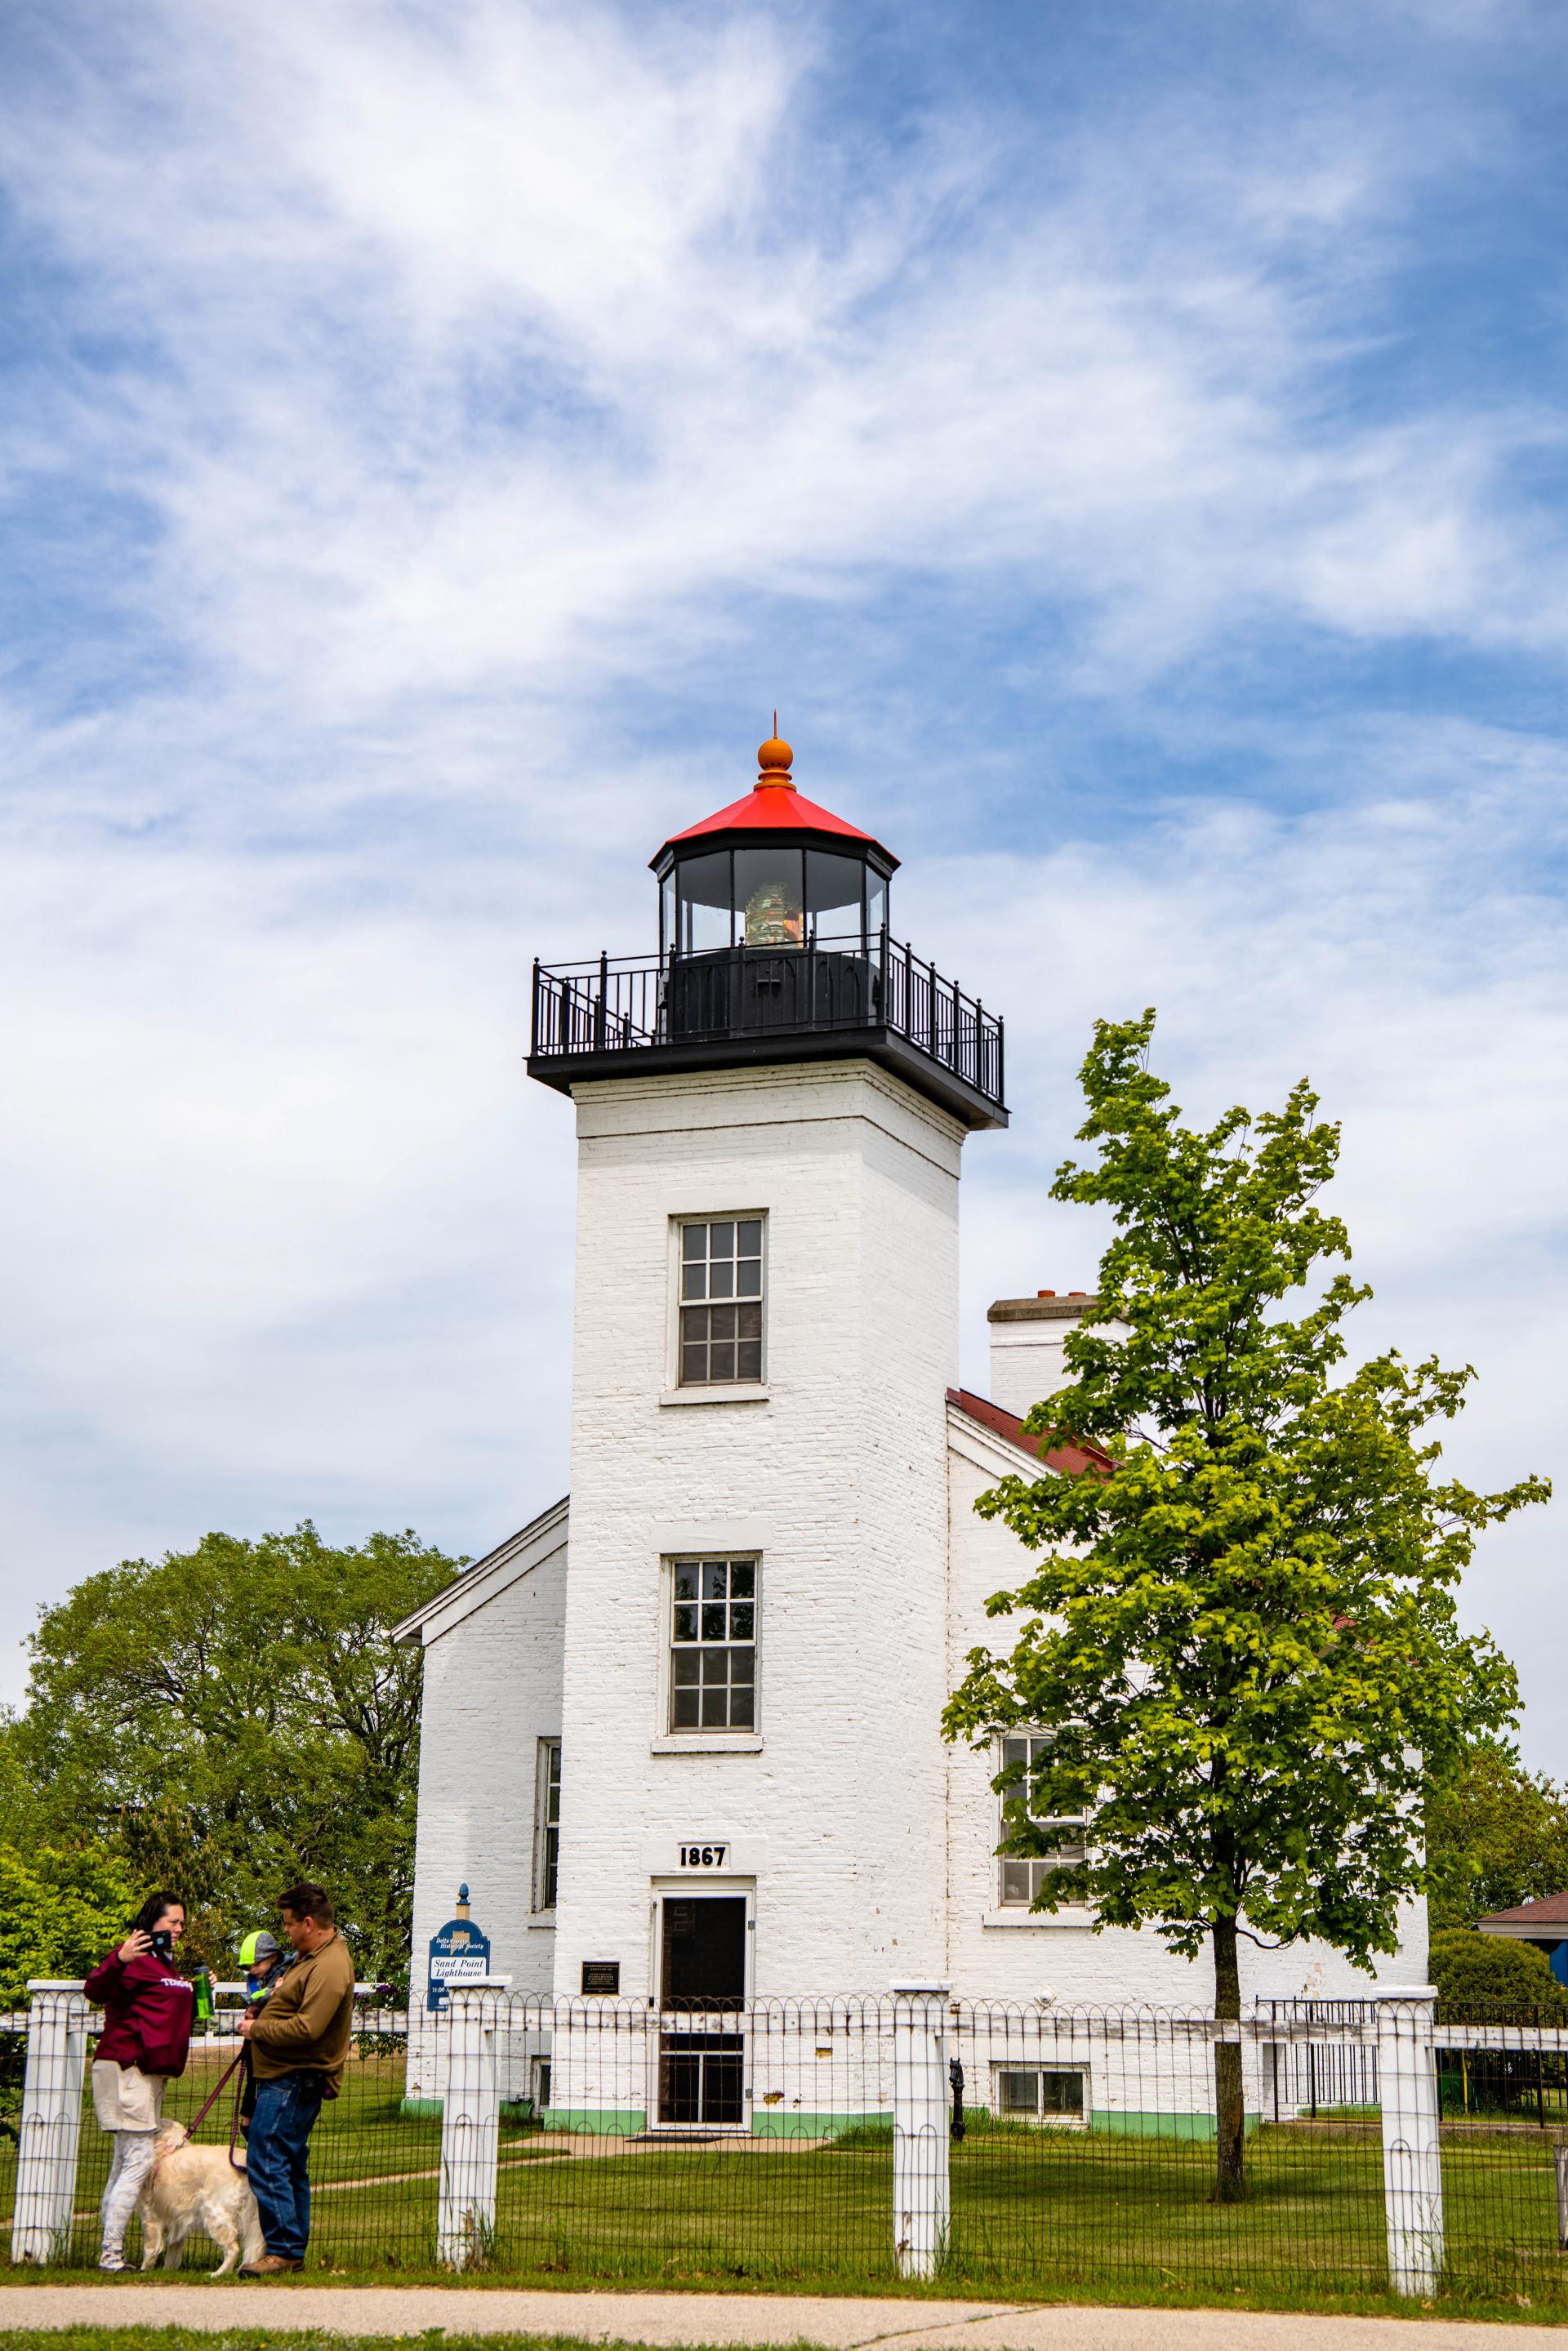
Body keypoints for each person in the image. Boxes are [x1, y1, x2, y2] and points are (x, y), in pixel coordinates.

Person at [237, 1881, 355, 2275]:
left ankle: (284, 2249)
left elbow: (308, 2028)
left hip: (294, 2079)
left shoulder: (329, 1965)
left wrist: (258, 2032)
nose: (284, 1932)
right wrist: (265, 2011)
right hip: (282, 2078)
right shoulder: (310, 1957)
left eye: (288, 1924)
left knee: (266, 2157)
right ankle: (291, 2250)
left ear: (308, 1923)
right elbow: (291, 2007)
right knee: (287, 2163)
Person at [82, 1890, 195, 2271]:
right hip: (126, 2067)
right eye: (172, 1922)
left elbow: (172, 2012)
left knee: (125, 2162)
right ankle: (111, 2255)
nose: (179, 1929)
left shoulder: (167, 1966)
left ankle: (109, 2250)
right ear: (152, 1923)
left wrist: (198, 1988)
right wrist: (119, 1958)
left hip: (151, 2073)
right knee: (138, 2161)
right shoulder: (133, 1958)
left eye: (182, 1923)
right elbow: (94, 1989)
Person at [236, 1929, 286, 2134]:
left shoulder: (286, 1971)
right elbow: (254, 1997)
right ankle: (248, 2123)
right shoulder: (254, 1980)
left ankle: (256, 2125)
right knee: (253, 2078)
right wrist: (273, 1992)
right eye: (249, 1966)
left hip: (276, 2044)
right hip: (256, 2040)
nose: (253, 1969)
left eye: (256, 1964)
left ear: (273, 1957)